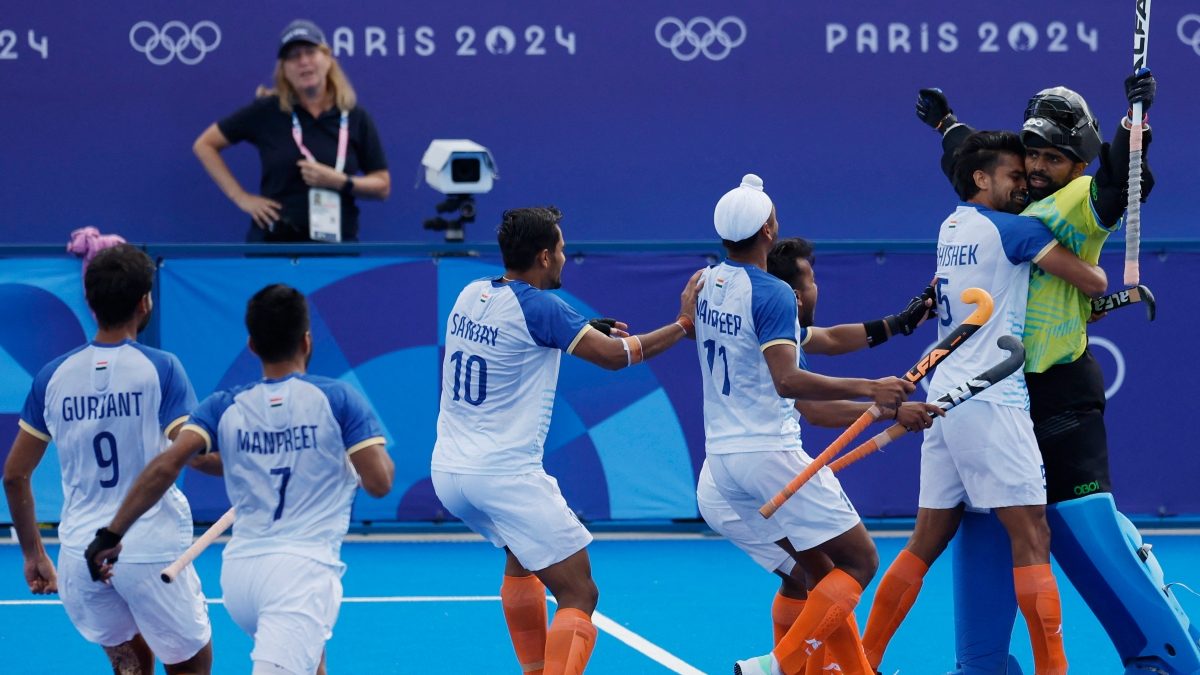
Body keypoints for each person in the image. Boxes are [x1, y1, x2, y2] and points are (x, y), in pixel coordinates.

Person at [917, 73, 1199, 675]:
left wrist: (1133, 126)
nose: (1038, 166)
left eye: (1054, 157)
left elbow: (1121, 187)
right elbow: (972, 158)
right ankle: (984, 665)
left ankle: (1167, 657)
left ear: (1078, 164)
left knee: (1088, 537)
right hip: (995, 400)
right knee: (985, 534)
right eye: (1033, 155)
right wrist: (947, 125)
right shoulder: (1010, 199)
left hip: (1058, 399)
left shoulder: (1072, 201)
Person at [859, 131, 1109, 675]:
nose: (1024, 185)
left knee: (926, 539)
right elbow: (1093, 280)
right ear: (981, 178)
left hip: (944, 399)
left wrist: (949, 126)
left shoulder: (951, 226)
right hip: (991, 398)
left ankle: (860, 661)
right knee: (1031, 533)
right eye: (1014, 176)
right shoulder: (1018, 230)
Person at [430, 206, 701, 675]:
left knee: (521, 559)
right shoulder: (542, 307)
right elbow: (617, 358)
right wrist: (682, 325)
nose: (564, 258)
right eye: (559, 250)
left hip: (449, 473)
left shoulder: (470, 293)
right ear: (542, 256)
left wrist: (578, 330)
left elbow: (519, 334)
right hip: (504, 475)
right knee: (579, 592)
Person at [83, 284, 395, 675]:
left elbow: (175, 463)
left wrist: (111, 534)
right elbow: (380, 482)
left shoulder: (225, 405)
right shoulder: (337, 399)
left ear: (251, 344)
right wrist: (340, 458)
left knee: (311, 660)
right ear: (307, 341)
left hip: (241, 579)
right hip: (299, 576)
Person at [674, 175, 912, 675]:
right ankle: (775, 666)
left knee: (816, 575)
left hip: (721, 463)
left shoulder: (703, 284)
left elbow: (815, 341)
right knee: (860, 561)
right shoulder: (774, 293)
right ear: (768, 229)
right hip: (769, 455)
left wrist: (887, 394)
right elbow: (788, 380)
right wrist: (872, 389)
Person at [2, 244, 212, 675]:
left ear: (90, 304)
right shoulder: (162, 368)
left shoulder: (52, 377)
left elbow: (14, 475)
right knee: (192, 665)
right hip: (152, 551)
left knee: (130, 665)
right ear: (144, 302)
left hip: (82, 555)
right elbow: (188, 451)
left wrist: (33, 553)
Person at [193, 19, 390, 243]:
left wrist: (341, 181)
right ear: (284, 69)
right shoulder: (267, 111)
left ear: (328, 58)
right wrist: (242, 198)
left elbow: (382, 185)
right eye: (294, 56)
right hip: (275, 245)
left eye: (310, 52)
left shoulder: (353, 116)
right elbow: (205, 145)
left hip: (336, 249)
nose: (304, 62)